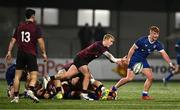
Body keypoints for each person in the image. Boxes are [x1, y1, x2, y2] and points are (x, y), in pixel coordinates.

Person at [44, 34, 123, 100]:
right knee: (87, 75)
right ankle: (84, 93)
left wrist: (121, 59)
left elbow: (112, 60)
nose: (112, 43)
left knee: (67, 76)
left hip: (80, 60)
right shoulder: (99, 45)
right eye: (111, 41)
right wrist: (120, 60)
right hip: (80, 59)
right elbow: (110, 57)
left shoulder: (104, 48)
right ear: (106, 39)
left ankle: (48, 78)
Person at [108, 26, 176, 100]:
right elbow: (132, 49)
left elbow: (164, 54)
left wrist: (170, 64)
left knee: (150, 77)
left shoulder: (157, 44)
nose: (156, 35)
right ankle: (113, 89)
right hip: (134, 59)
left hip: (143, 60)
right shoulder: (142, 40)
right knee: (129, 78)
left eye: (157, 34)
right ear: (150, 33)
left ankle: (144, 95)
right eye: (154, 33)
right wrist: (128, 59)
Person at [5, 9, 48, 103]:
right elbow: (40, 41)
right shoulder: (36, 28)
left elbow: (13, 40)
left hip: (20, 53)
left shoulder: (19, 26)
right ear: (33, 16)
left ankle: (16, 97)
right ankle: (30, 90)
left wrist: (9, 51)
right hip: (31, 53)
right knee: (34, 75)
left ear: (26, 16)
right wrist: (44, 53)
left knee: (17, 77)